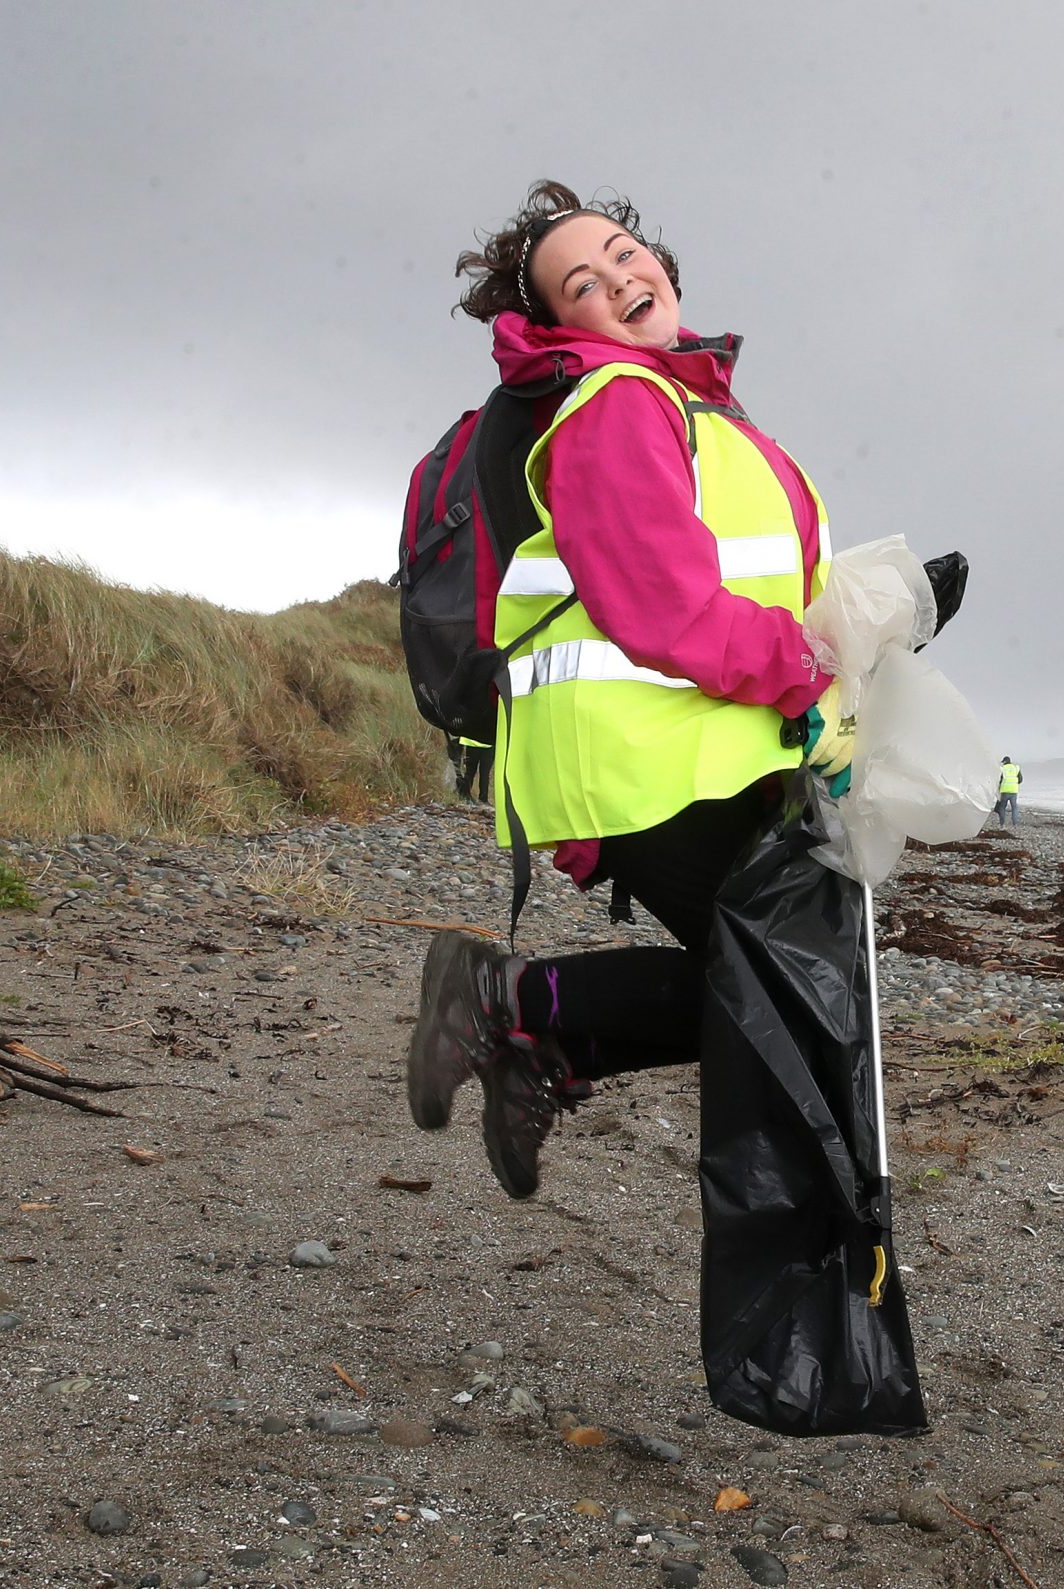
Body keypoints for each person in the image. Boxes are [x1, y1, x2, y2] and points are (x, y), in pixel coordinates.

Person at [406, 180, 855, 1200]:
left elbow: (758, 582)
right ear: (560, 323)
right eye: (583, 281)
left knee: (786, 991)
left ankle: (535, 1028)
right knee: (794, 994)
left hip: (695, 750)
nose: (617, 276)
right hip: (644, 762)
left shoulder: (694, 405)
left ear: (660, 263)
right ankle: (518, 1007)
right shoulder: (614, 402)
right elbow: (664, 608)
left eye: (622, 251)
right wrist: (807, 670)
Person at [993, 755, 1022, 828]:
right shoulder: (1016, 768)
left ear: (1005, 762)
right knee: (1014, 807)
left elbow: (999, 779)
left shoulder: (1003, 769)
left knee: (1002, 807)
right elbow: (1020, 779)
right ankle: (1015, 824)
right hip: (1014, 790)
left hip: (1005, 790)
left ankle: (1002, 823)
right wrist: (1014, 783)